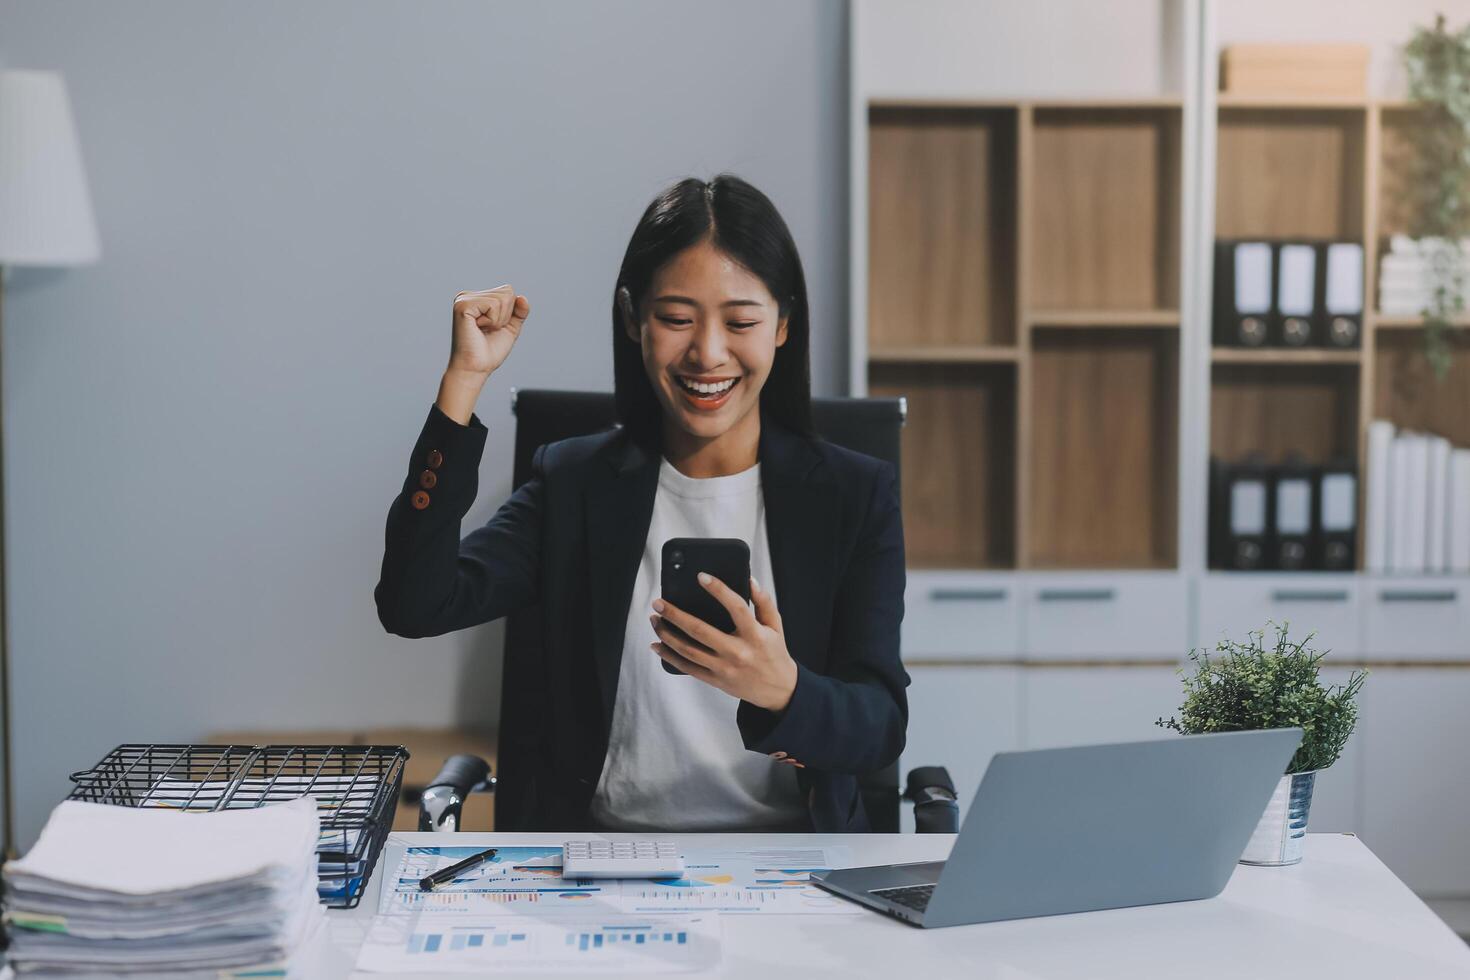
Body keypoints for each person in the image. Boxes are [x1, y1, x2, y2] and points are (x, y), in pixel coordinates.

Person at [375, 174, 907, 833]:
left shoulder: (855, 496)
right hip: (602, 863)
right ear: (633, 318)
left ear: (782, 326)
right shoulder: (576, 483)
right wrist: (463, 384)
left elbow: (880, 728)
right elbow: (414, 604)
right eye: (677, 319)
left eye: (740, 321)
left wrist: (783, 689)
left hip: (791, 866)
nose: (708, 353)